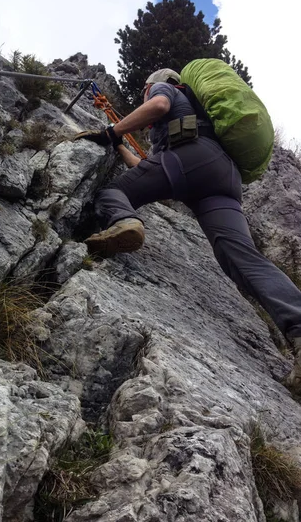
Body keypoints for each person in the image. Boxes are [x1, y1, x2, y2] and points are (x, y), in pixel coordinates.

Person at [75, 68, 301, 392]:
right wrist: (120, 145)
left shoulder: (165, 91)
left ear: (152, 84)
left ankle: (125, 221)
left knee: (112, 193)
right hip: (223, 178)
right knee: (241, 258)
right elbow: (148, 171)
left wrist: (111, 132)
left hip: (189, 160)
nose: (145, 94)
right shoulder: (195, 113)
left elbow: (158, 109)